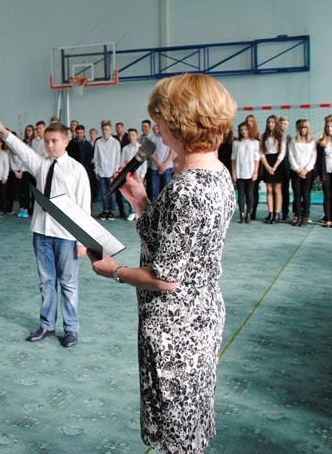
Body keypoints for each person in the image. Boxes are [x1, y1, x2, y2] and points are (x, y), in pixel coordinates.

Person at [88, 73, 236, 453]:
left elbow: (165, 279)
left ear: (181, 124)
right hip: (200, 313)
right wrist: (140, 199)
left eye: (161, 121)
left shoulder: (188, 187)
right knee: (188, 421)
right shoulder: (215, 172)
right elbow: (174, 238)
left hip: (176, 326)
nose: (158, 130)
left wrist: (114, 271)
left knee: (176, 430)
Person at [0, 117, 90, 348]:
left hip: (66, 236)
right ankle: (46, 325)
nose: (50, 145)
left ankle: (71, 329)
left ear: (66, 141)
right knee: (46, 282)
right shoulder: (41, 164)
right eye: (46, 141)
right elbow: (21, 150)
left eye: (54, 141)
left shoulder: (77, 170)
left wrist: (82, 241)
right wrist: (3, 131)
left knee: (68, 284)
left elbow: (84, 206)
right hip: (41, 233)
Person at [287, 119, 317, 226]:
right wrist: (297, 169)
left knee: (306, 194)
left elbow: (313, 157)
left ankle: (305, 216)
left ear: (308, 129)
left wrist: (306, 170)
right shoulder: (293, 141)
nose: (303, 130)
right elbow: (290, 155)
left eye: (305, 128)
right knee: (297, 194)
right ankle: (298, 216)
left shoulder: (313, 141)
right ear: (298, 129)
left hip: (308, 172)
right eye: (301, 128)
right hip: (296, 171)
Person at [231, 121, 260, 224]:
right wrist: (234, 172)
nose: (243, 131)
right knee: (241, 194)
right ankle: (242, 214)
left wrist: (255, 172)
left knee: (250, 193)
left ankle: (249, 214)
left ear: (249, 130)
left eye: (245, 129)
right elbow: (233, 158)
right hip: (239, 171)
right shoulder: (236, 143)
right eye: (241, 130)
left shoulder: (255, 142)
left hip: (250, 171)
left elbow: (257, 158)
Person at [260, 115, 286, 223]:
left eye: (272, 122)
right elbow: (261, 153)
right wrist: (267, 166)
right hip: (267, 161)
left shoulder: (281, 136)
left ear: (276, 124)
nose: (270, 124)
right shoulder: (263, 136)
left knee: (277, 189)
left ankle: (277, 213)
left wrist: (274, 166)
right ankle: (270, 213)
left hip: (277, 162)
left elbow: (282, 152)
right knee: (269, 189)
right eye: (268, 122)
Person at [93, 120, 121, 220]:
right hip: (101, 171)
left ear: (110, 130)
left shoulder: (115, 142)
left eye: (107, 129)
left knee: (111, 192)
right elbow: (96, 157)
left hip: (112, 172)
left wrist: (116, 171)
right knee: (104, 192)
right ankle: (105, 210)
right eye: (104, 130)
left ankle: (111, 211)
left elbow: (117, 158)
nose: (105, 131)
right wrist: (96, 170)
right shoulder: (98, 142)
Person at [120, 128, 147, 221]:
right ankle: (132, 211)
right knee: (130, 193)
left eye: (133, 135)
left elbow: (144, 163)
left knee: (139, 193)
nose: (131, 137)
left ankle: (139, 212)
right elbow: (122, 162)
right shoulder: (125, 148)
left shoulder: (141, 148)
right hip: (129, 175)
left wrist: (142, 175)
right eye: (129, 135)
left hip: (138, 174)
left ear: (136, 136)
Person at [277, 116, 293, 221]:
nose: (283, 126)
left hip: (286, 167)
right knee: (275, 190)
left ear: (288, 125)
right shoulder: (273, 136)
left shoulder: (289, 138)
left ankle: (285, 213)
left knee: (285, 191)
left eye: (285, 124)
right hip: (275, 167)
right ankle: (274, 212)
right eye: (281, 124)